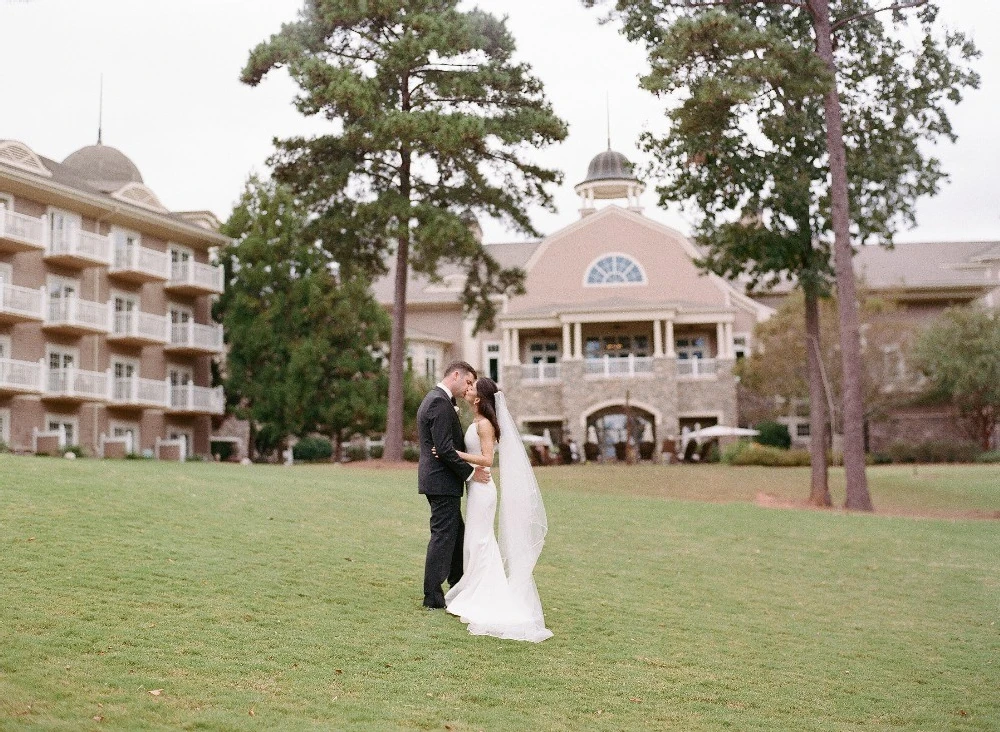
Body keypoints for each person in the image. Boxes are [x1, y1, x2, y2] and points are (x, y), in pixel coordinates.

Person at [443, 377, 552, 642]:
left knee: (479, 541)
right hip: (476, 490)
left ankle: (482, 594)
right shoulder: (477, 421)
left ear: (479, 398)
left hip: (483, 490)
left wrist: (457, 455)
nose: (467, 389)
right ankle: (473, 588)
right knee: (475, 541)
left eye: (472, 388)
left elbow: (488, 460)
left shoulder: (485, 425)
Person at [416, 361, 491, 610]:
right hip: (441, 481)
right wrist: (471, 474)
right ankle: (432, 597)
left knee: (456, 534)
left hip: (440, 480)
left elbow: (445, 448)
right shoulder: (439, 401)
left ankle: (458, 584)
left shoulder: (439, 399)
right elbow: (445, 450)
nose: (469, 388)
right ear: (456, 375)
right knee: (443, 536)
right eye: (468, 382)